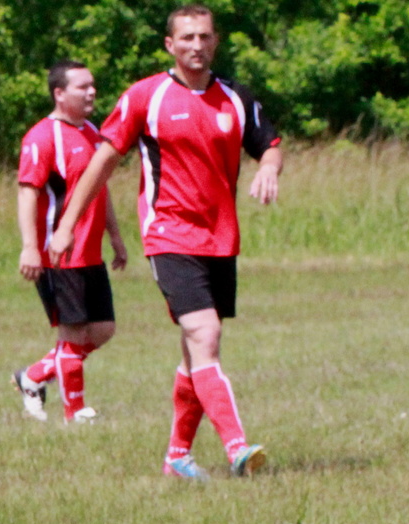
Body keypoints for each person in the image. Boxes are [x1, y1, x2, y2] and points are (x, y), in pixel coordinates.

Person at [46, 4, 281, 479]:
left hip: (221, 239)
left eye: (205, 36)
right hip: (169, 235)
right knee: (205, 334)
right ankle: (237, 448)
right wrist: (67, 223)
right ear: (170, 45)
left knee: (196, 350)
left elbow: (269, 145)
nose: (197, 45)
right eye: (187, 37)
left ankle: (177, 457)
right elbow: (102, 161)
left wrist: (270, 169)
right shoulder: (146, 97)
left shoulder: (235, 98)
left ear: (216, 42)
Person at [12, 59, 130, 425]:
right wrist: (30, 246)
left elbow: (98, 188)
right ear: (59, 94)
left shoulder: (94, 132)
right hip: (58, 254)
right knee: (73, 333)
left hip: (91, 252)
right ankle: (75, 413)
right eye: (83, 87)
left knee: (103, 329)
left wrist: (115, 235)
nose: (92, 92)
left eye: (92, 85)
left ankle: (33, 376)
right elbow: (27, 193)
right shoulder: (42, 137)